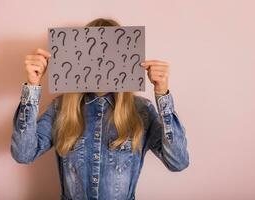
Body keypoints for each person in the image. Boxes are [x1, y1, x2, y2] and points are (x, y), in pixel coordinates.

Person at [10, 17, 189, 200]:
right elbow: (23, 154)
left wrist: (162, 94)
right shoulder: (61, 108)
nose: (100, 62)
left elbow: (178, 162)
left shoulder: (142, 110)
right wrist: (32, 87)